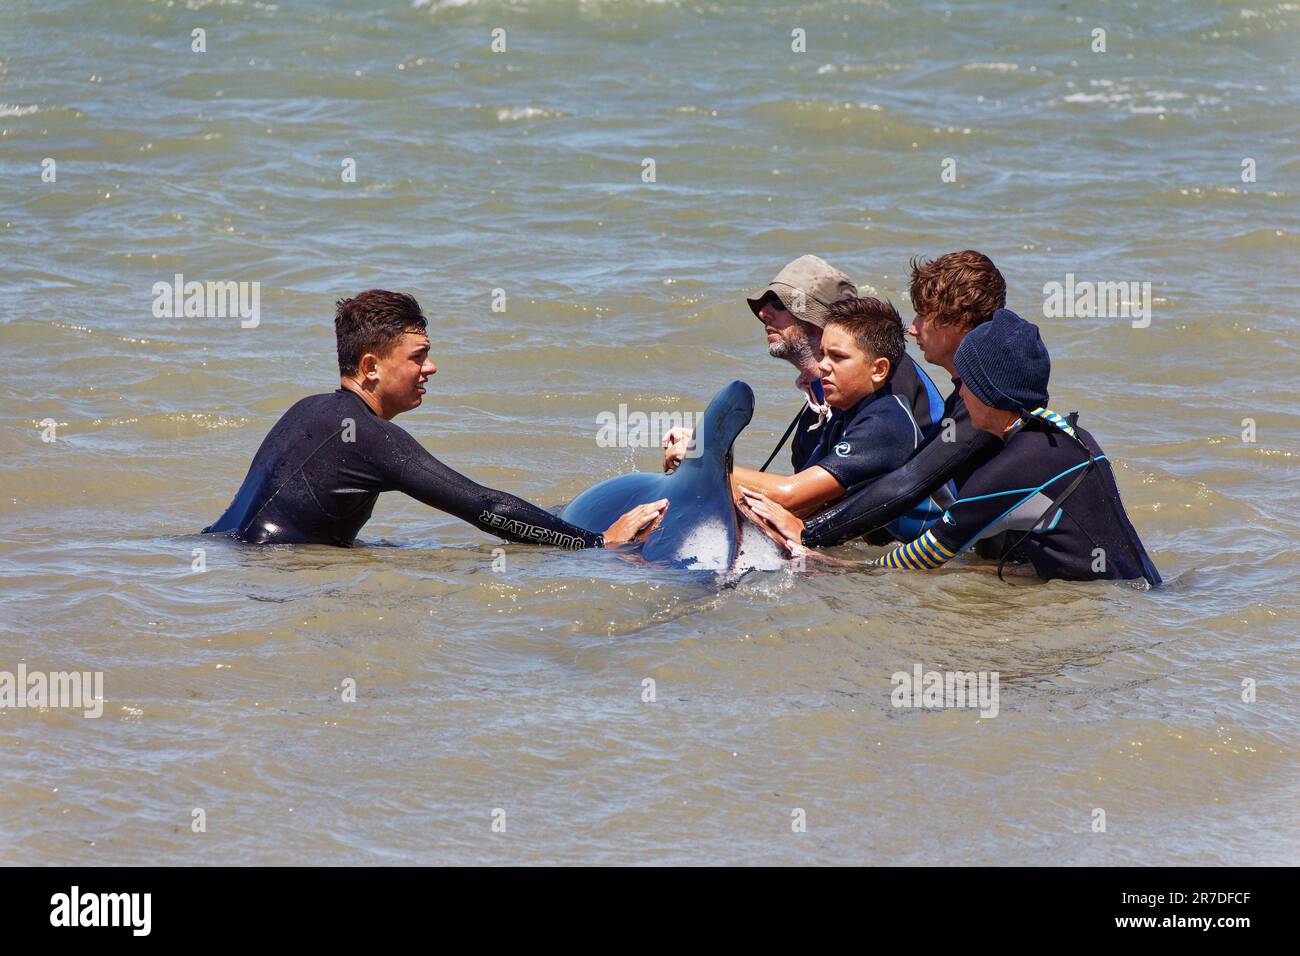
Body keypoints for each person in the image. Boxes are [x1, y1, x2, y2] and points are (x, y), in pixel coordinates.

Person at [203, 290, 666, 548]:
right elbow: (485, 508)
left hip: (226, 554)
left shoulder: (306, 409)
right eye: (418, 357)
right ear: (370, 367)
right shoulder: (368, 436)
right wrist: (596, 542)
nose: (431, 368)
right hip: (275, 573)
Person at [747, 310, 1162, 585]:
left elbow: (917, 561)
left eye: (964, 382)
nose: (958, 392)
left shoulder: (1011, 470)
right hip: (1143, 589)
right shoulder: (1066, 434)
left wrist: (816, 552)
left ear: (984, 390)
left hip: (1101, 604)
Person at [747, 250, 1011, 547]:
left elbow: (907, 484)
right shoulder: (961, 396)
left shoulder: (973, 401)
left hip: (979, 555)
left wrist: (810, 534)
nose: (912, 328)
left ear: (960, 321)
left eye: (923, 315)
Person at [662, 254, 945, 476]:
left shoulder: (887, 381)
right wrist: (705, 448)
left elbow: (797, 495)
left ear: (817, 318)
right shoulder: (814, 416)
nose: (763, 313)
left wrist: (706, 460)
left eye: (778, 303)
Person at [729, 297, 925, 516]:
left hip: (923, 547)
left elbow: (789, 493)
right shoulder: (843, 417)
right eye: (822, 354)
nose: (822, 365)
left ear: (879, 370)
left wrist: (705, 464)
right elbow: (801, 500)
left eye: (838, 357)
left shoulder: (884, 424)